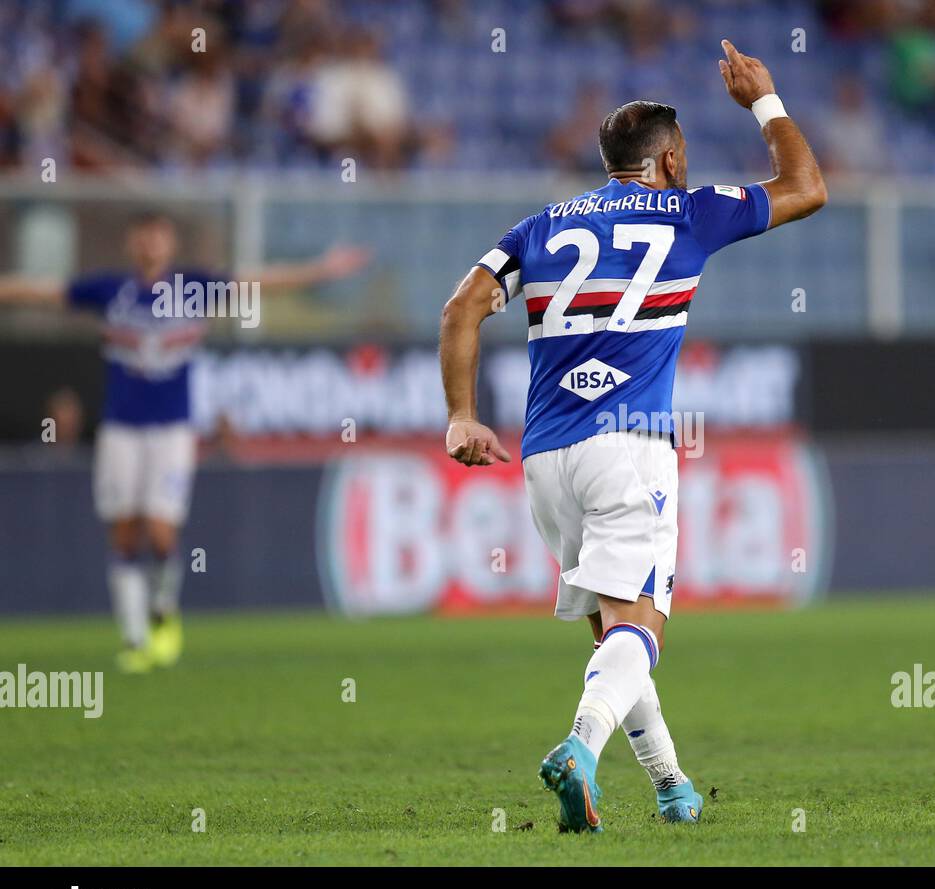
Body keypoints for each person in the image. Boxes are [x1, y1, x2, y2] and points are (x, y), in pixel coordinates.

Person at [438, 40, 826, 832]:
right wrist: (766, 100)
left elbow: (460, 309)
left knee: (614, 633)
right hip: (631, 445)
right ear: (672, 160)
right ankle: (578, 749)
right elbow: (807, 188)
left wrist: (460, 415)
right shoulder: (691, 210)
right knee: (639, 632)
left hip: (545, 459)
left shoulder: (544, 225)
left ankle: (672, 787)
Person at [0, 211, 368, 672]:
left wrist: (319, 270)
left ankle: (162, 611)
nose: (150, 245)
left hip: (172, 428)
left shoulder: (193, 289)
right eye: (143, 237)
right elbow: (42, 291)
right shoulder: (111, 291)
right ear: (131, 244)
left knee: (161, 529)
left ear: (169, 244)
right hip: (121, 427)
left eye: (158, 237)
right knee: (124, 532)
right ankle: (134, 638)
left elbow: (259, 282)